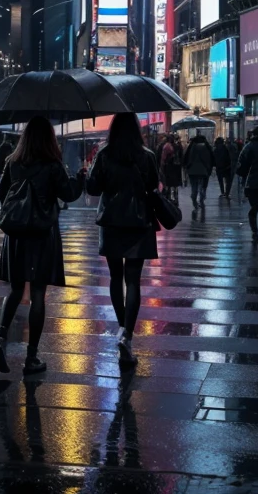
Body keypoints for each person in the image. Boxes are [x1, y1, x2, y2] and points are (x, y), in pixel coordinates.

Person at [0, 116, 85, 375]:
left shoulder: (13, 162)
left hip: (17, 232)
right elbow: (68, 194)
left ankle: (0, 338)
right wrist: (80, 177)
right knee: (38, 294)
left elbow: (1, 193)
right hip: (43, 233)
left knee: (15, 288)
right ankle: (31, 357)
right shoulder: (52, 165)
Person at [86, 113, 159, 366]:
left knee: (116, 277)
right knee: (134, 280)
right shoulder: (147, 156)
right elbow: (153, 185)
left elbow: (93, 189)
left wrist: (88, 174)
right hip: (139, 223)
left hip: (112, 222)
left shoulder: (104, 155)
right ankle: (127, 334)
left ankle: (121, 329)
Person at [184, 133, 213, 210]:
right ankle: (201, 198)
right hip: (204, 170)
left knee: (194, 186)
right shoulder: (206, 146)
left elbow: (186, 157)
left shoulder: (191, 146)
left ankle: (194, 198)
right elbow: (211, 157)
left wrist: (187, 166)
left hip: (192, 170)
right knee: (203, 185)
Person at [160, 134, 182, 205]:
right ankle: (175, 195)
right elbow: (181, 155)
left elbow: (163, 158)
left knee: (168, 182)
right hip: (176, 166)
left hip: (169, 166)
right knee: (174, 182)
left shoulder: (166, 146)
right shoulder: (178, 146)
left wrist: (162, 166)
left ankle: (169, 196)